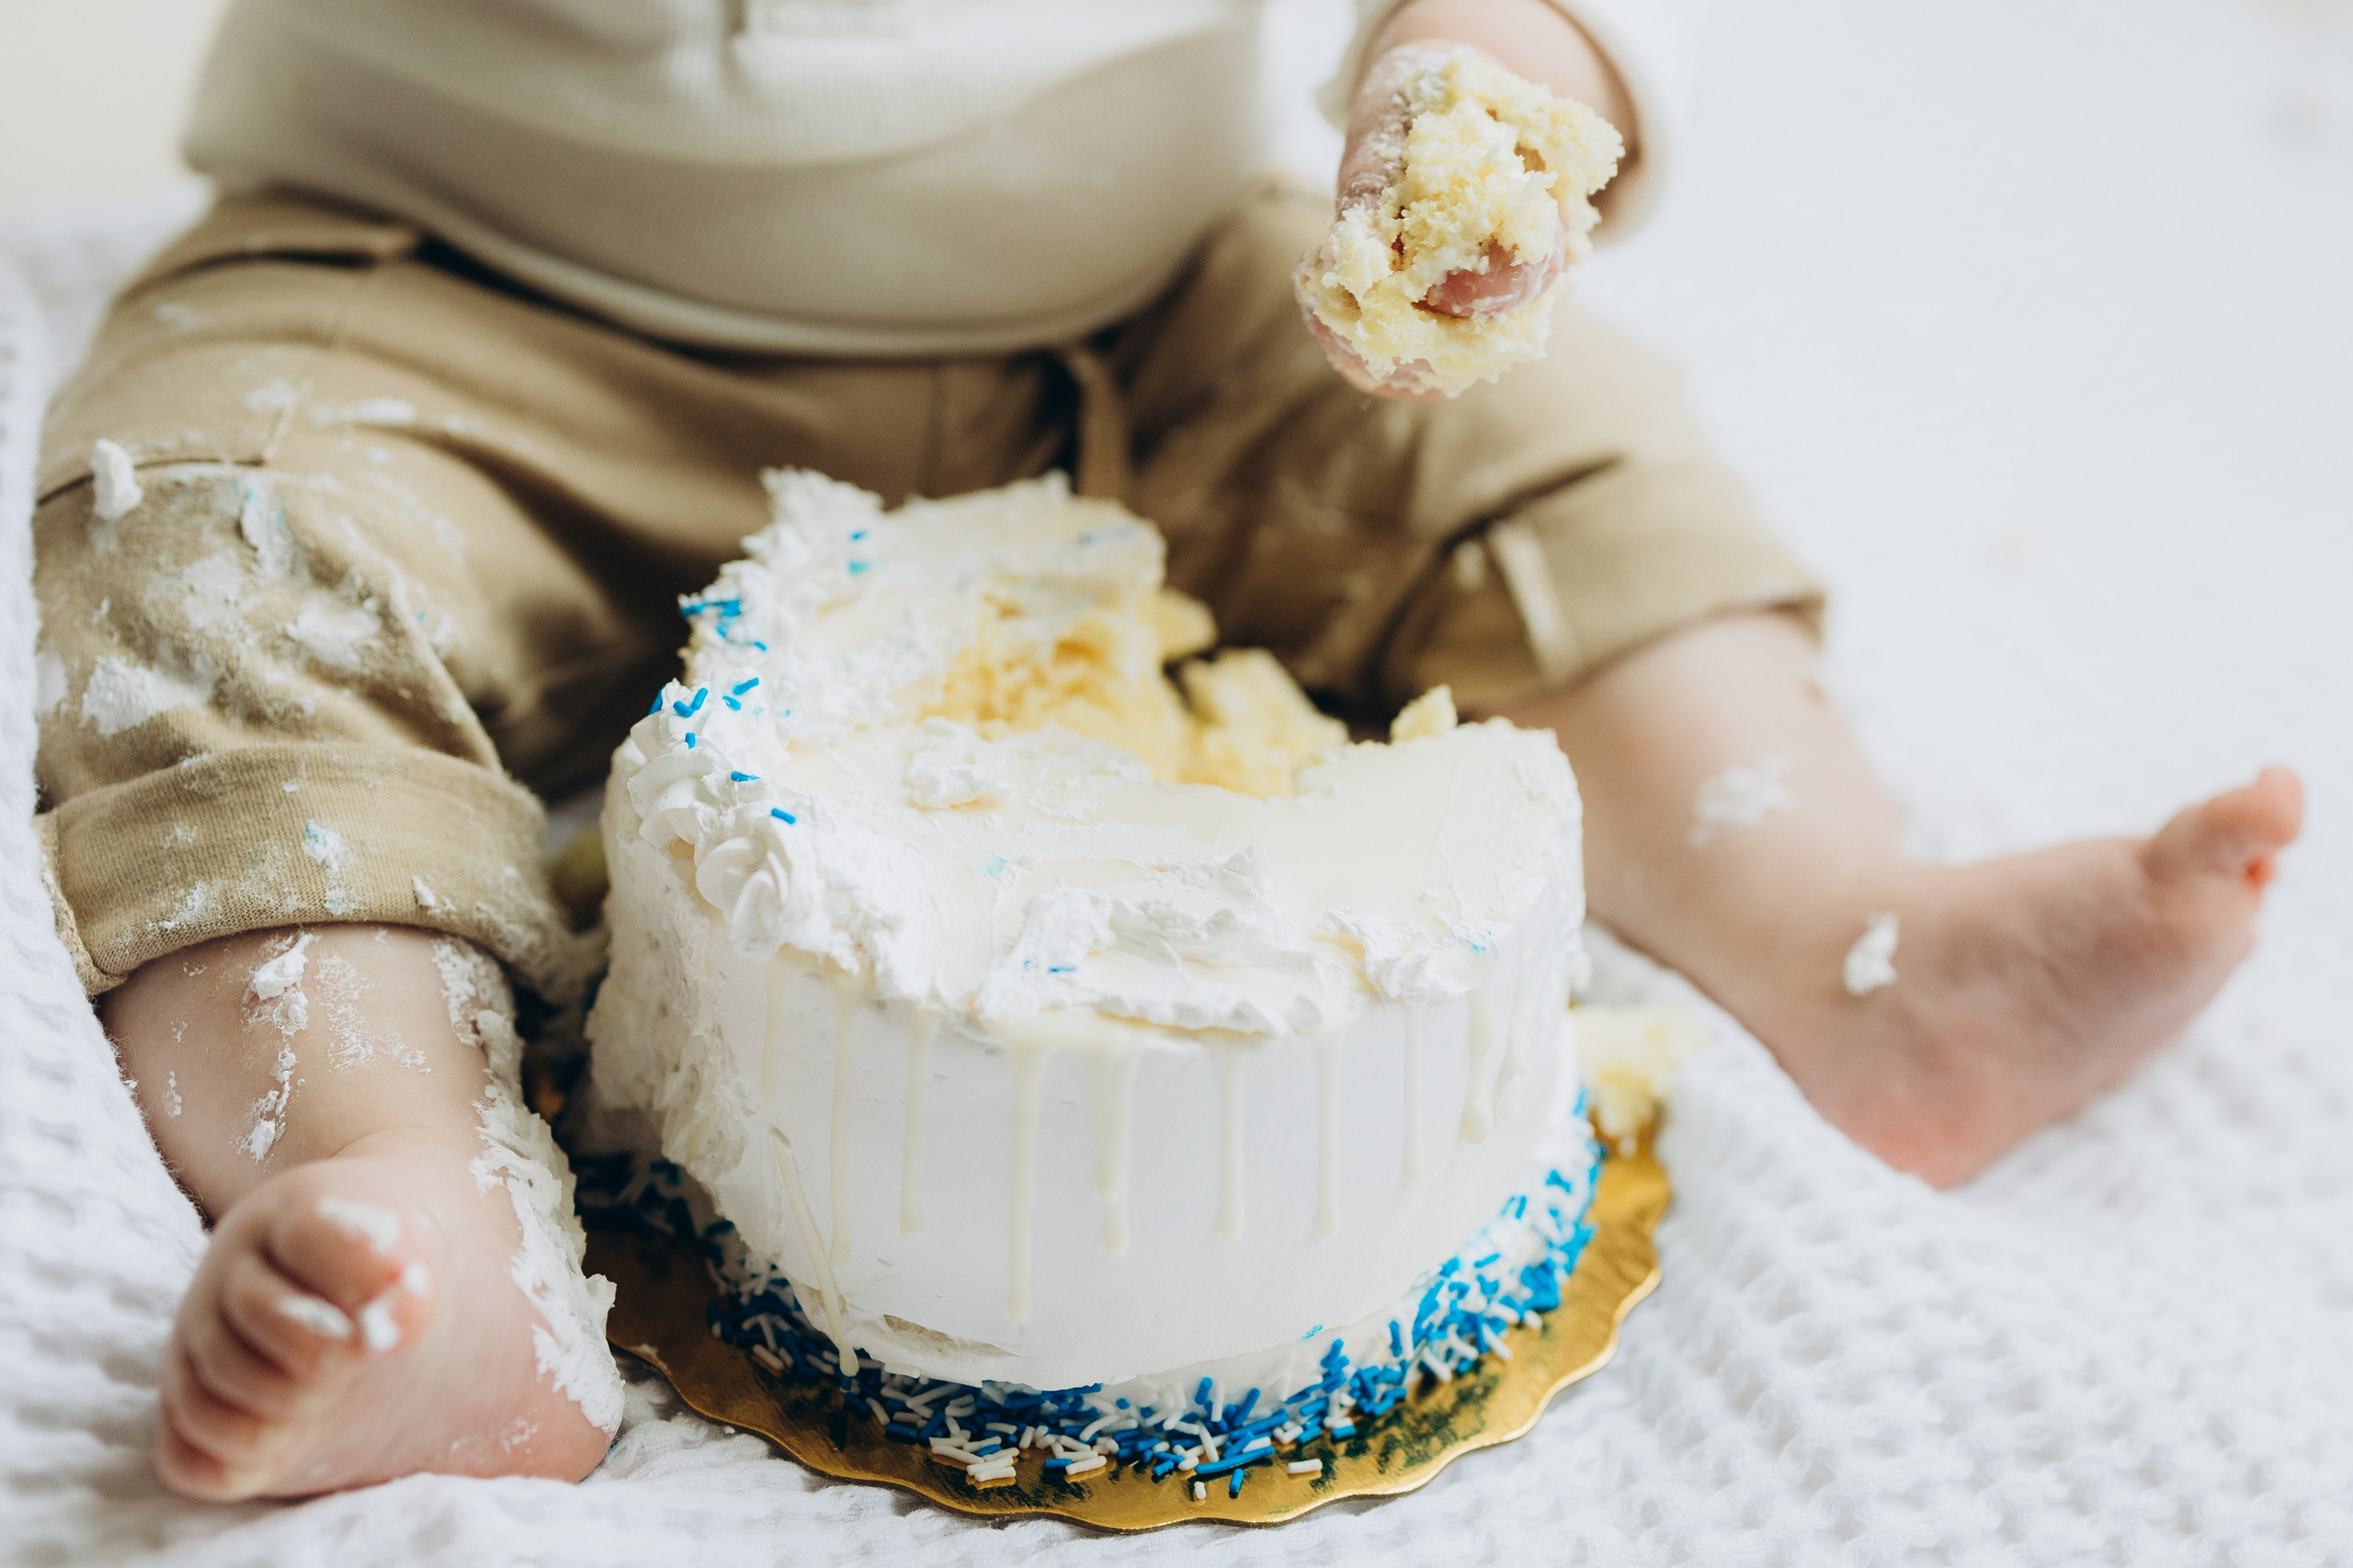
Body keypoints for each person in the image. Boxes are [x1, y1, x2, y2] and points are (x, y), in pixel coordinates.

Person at [30, 0, 2301, 1502]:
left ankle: (1837, 930)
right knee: (206, 564)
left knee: (1549, 448)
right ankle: (413, 1194)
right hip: (450, 286)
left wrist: (1492, 83)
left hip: (1139, 299)